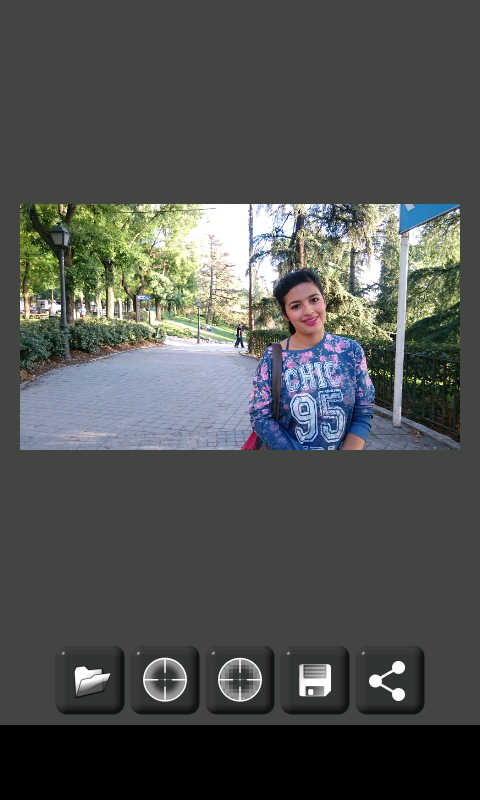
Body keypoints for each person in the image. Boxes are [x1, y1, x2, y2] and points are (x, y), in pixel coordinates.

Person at [248, 268, 375, 450]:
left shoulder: (350, 351)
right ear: (286, 315)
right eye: (296, 306)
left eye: (314, 300)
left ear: (324, 301)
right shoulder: (272, 358)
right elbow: (260, 416)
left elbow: (363, 411)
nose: (308, 311)